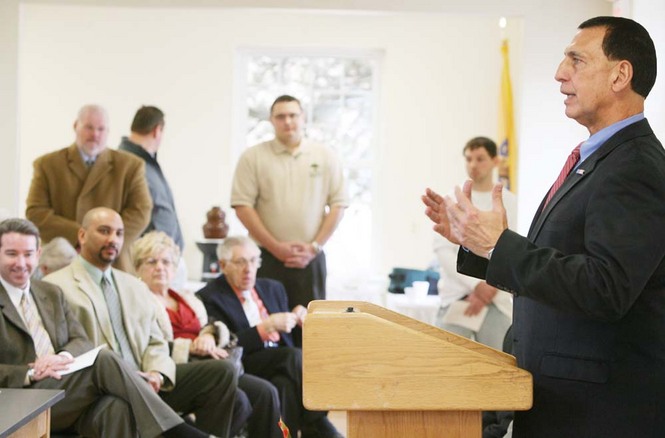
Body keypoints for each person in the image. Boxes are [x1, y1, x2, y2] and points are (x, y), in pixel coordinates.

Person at [423, 16, 665, 437]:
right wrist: (478, 244)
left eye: (576, 60)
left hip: (598, 411)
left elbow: (605, 288)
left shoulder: (634, 166)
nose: (559, 73)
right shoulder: (598, 160)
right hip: (563, 398)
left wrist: (500, 246)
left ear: (620, 75)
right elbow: (564, 264)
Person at [0, 218, 213, 438]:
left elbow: (80, 340)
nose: (21, 262)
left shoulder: (50, 293)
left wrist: (62, 357)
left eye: (27, 254)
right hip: (17, 399)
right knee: (102, 358)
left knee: (115, 407)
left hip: (63, 388)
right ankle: (179, 433)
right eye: (11, 254)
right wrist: (31, 372)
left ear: (38, 254)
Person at [44, 207, 241, 438]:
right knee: (117, 405)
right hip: (102, 388)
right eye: (104, 231)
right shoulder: (55, 286)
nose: (113, 239)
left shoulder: (133, 285)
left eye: (119, 233)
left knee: (222, 371)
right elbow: (61, 350)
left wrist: (157, 373)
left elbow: (155, 341)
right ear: (82, 235)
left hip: (148, 379)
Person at [132, 231, 283, 438]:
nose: (160, 267)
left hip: (211, 361)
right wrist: (190, 346)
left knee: (265, 392)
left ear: (175, 267)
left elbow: (212, 324)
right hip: (175, 367)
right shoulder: (138, 300)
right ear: (138, 268)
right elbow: (147, 345)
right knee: (238, 399)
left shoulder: (186, 297)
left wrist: (210, 335)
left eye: (166, 262)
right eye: (152, 261)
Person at [196, 236, 343, 438]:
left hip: (280, 362)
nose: (248, 269)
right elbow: (227, 344)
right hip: (245, 362)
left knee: (285, 384)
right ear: (223, 265)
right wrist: (265, 328)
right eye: (240, 262)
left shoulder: (273, 287)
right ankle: (317, 421)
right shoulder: (210, 296)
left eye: (253, 261)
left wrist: (300, 316)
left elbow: (290, 333)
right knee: (294, 357)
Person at [230, 95, 349, 315]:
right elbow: (242, 206)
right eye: (281, 116)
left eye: (293, 115)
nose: (288, 121)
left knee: (311, 332)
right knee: (270, 327)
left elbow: (338, 206)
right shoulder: (252, 157)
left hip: (311, 258)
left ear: (303, 118)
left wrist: (314, 247)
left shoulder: (325, 155)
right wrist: (276, 247)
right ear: (271, 120)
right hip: (266, 258)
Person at [25, 104, 152, 272]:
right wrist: (81, 236)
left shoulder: (130, 166)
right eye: (89, 127)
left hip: (114, 264)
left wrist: (105, 240)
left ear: (108, 132)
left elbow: (141, 212)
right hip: (62, 263)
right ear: (75, 126)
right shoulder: (47, 165)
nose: (95, 135)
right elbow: (36, 213)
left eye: (101, 129)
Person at [433, 137, 516, 351]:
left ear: (495, 161)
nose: (473, 165)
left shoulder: (510, 201)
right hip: (457, 298)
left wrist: (489, 288)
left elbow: (513, 247)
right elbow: (443, 250)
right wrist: (476, 287)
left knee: (500, 366)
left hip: (496, 298)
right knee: (446, 365)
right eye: (469, 159)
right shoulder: (453, 199)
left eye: (480, 159)